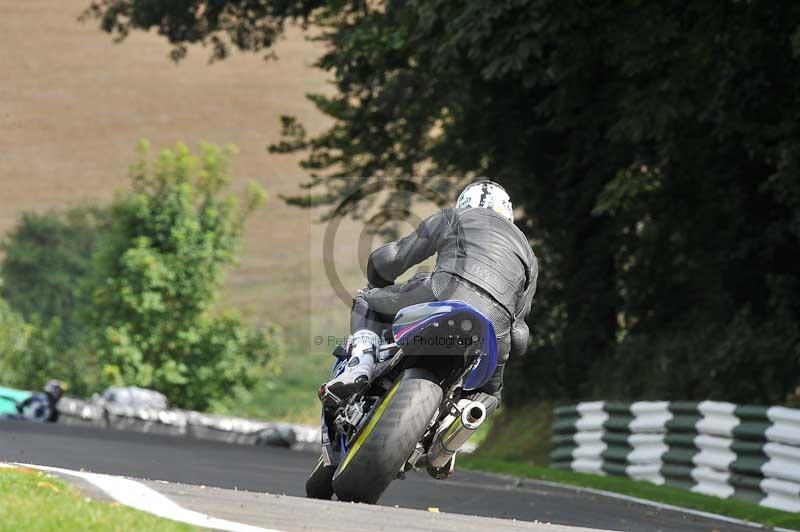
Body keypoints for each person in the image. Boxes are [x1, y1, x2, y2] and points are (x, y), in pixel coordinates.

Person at [323, 180, 537, 418]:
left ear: (464, 203)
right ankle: (459, 425)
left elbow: (393, 259)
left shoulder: (453, 216)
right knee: (488, 396)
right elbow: (519, 335)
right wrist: (505, 350)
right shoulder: (528, 254)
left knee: (366, 303)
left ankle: (359, 367)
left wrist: (378, 281)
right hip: (496, 328)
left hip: (443, 292)